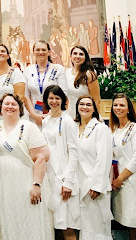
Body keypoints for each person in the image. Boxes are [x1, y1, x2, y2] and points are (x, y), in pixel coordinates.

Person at [0, 93, 52, 240]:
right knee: (8, 221)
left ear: (20, 109)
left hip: (25, 184)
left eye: (13, 104)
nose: (10, 107)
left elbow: (41, 157)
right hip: (3, 186)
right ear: (0, 108)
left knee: (28, 220)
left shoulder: (29, 127)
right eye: (6, 104)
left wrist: (37, 184)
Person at [109, 93, 136, 240]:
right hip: (121, 185)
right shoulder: (114, 130)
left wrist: (120, 179)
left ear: (129, 109)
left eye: (122, 105)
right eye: (115, 105)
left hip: (133, 182)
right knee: (130, 225)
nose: (118, 108)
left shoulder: (135, 129)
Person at [41, 85, 79, 240]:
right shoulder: (46, 121)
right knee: (54, 225)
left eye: (57, 98)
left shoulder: (68, 121)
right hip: (49, 176)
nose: (54, 101)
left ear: (63, 100)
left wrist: (68, 181)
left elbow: (74, 152)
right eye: (51, 98)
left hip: (63, 177)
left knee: (66, 226)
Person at [75, 94, 113, 240]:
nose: (84, 107)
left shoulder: (100, 128)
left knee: (97, 229)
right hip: (79, 185)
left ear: (94, 109)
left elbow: (104, 158)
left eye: (88, 105)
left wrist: (97, 185)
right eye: (81, 104)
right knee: (84, 227)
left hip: (94, 186)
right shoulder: (73, 127)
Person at [23, 40, 67, 126]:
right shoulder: (27, 70)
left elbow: (63, 94)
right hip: (34, 115)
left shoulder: (58, 69)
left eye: (43, 50)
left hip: (55, 113)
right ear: (34, 52)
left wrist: (50, 114)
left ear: (49, 52)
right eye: (37, 50)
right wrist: (34, 115)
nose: (40, 52)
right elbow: (26, 96)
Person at [0, 44, 27, 121]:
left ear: (8, 56)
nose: (0, 53)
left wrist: (9, 109)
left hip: (14, 114)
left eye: (3, 51)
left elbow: (20, 97)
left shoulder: (15, 72)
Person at [61, 45, 100, 118]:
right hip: (70, 114)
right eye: (75, 53)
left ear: (85, 57)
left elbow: (96, 100)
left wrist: (94, 118)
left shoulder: (89, 75)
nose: (78, 56)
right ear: (71, 56)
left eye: (81, 54)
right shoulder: (67, 72)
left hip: (85, 115)